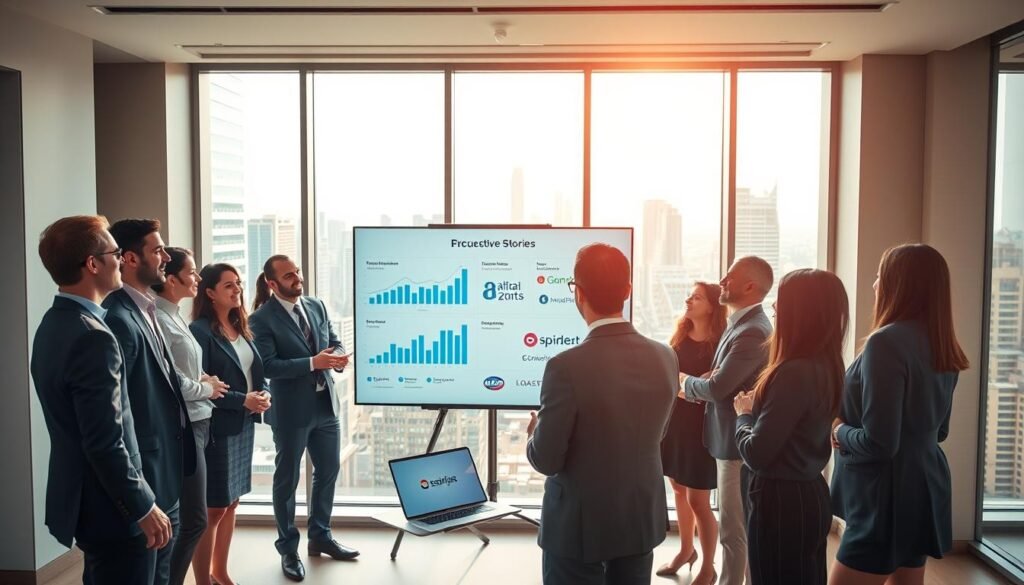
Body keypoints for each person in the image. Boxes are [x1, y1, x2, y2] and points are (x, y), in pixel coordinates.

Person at [527, 243, 678, 585]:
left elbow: (547, 460)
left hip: (579, 528)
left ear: (577, 294)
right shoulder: (666, 357)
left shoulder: (565, 367)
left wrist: (535, 433)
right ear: (627, 290)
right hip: (639, 517)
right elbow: (657, 433)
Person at [32, 215, 171, 585]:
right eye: (114, 252)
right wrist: (142, 505)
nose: (120, 260)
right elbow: (105, 441)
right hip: (112, 509)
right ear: (93, 264)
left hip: (86, 503)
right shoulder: (93, 336)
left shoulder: (52, 324)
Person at [830, 244, 969, 585]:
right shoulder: (942, 342)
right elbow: (939, 431)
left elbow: (879, 442)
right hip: (924, 485)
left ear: (898, 283)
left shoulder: (885, 343)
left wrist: (839, 430)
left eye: (880, 276)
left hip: (884, 496)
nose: (875, 284)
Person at [733, 269, 849, 585]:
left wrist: (743, 416)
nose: (774, 309)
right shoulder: (829, 366)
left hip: (779, 501)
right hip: (809, 493)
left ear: (801, 313)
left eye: (781, 302)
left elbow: (757, 453)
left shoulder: (792, 373)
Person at [249, 254, 355, 582]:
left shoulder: (316, 305)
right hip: (291, 411)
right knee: (286, 481)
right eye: (289, 275)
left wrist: (336, 358)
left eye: (297, 272)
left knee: (328, 471)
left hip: (326, 406)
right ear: (271, 283)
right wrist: (313, 363)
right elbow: (267, 365)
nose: (297, 278)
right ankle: (288, 550)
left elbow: (333, 342)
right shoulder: (260, 319)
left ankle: (320, 537)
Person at [104, 218, 196, 585]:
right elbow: (117, 414)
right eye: (157, 250)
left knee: (161, 574)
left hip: (166, 470)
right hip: (145, 475)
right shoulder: (118, 318)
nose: (164, 257)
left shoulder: (149, 309)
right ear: (129, 258)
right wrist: (138, 493)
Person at [680, 255, 773, 585]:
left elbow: (718, 387)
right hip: (729, 439)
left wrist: (683, 382)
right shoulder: (742, 324)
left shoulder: (752, 331)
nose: (722, 280)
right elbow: (721, 377)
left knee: (734, 532)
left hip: (736, 445)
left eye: (729, 277)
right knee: (737, 528)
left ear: (750, 286)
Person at [190, 263, 271, 585]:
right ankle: (202, 580)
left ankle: (220, 572)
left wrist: (263, 395)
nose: (237, 289)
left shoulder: (241, 328)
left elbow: (252, 373)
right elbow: (201, 386)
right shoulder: (200, 331)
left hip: (243, 425)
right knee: (214, 508)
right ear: (209, 293)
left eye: (238, 283)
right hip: (217, 429)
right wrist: (242, 400)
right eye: (228, 285)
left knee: (232, 502)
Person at [152, 247, 230, 585]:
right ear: (172, 279)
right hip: (187, 424)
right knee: (194, 519)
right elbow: (171, 382)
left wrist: (203, 383)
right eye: (193, 273)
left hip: (200, 421)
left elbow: (186, 373)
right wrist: (207, 389)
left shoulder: (174, 315)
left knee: (190, 519)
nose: (198, 278)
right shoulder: (159, 318)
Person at [657, 282, 726, 584]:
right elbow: (673, 382)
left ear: (712, 306)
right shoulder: (680, 337)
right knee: (679, 491)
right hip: (675, 425)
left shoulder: (721, 345)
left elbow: (709, 390)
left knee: (699, 501)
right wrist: (690, 386)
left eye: (696, 297)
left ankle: (708, 567)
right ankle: (686, 551)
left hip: (703, 430)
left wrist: (686, 386)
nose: (688, 300)